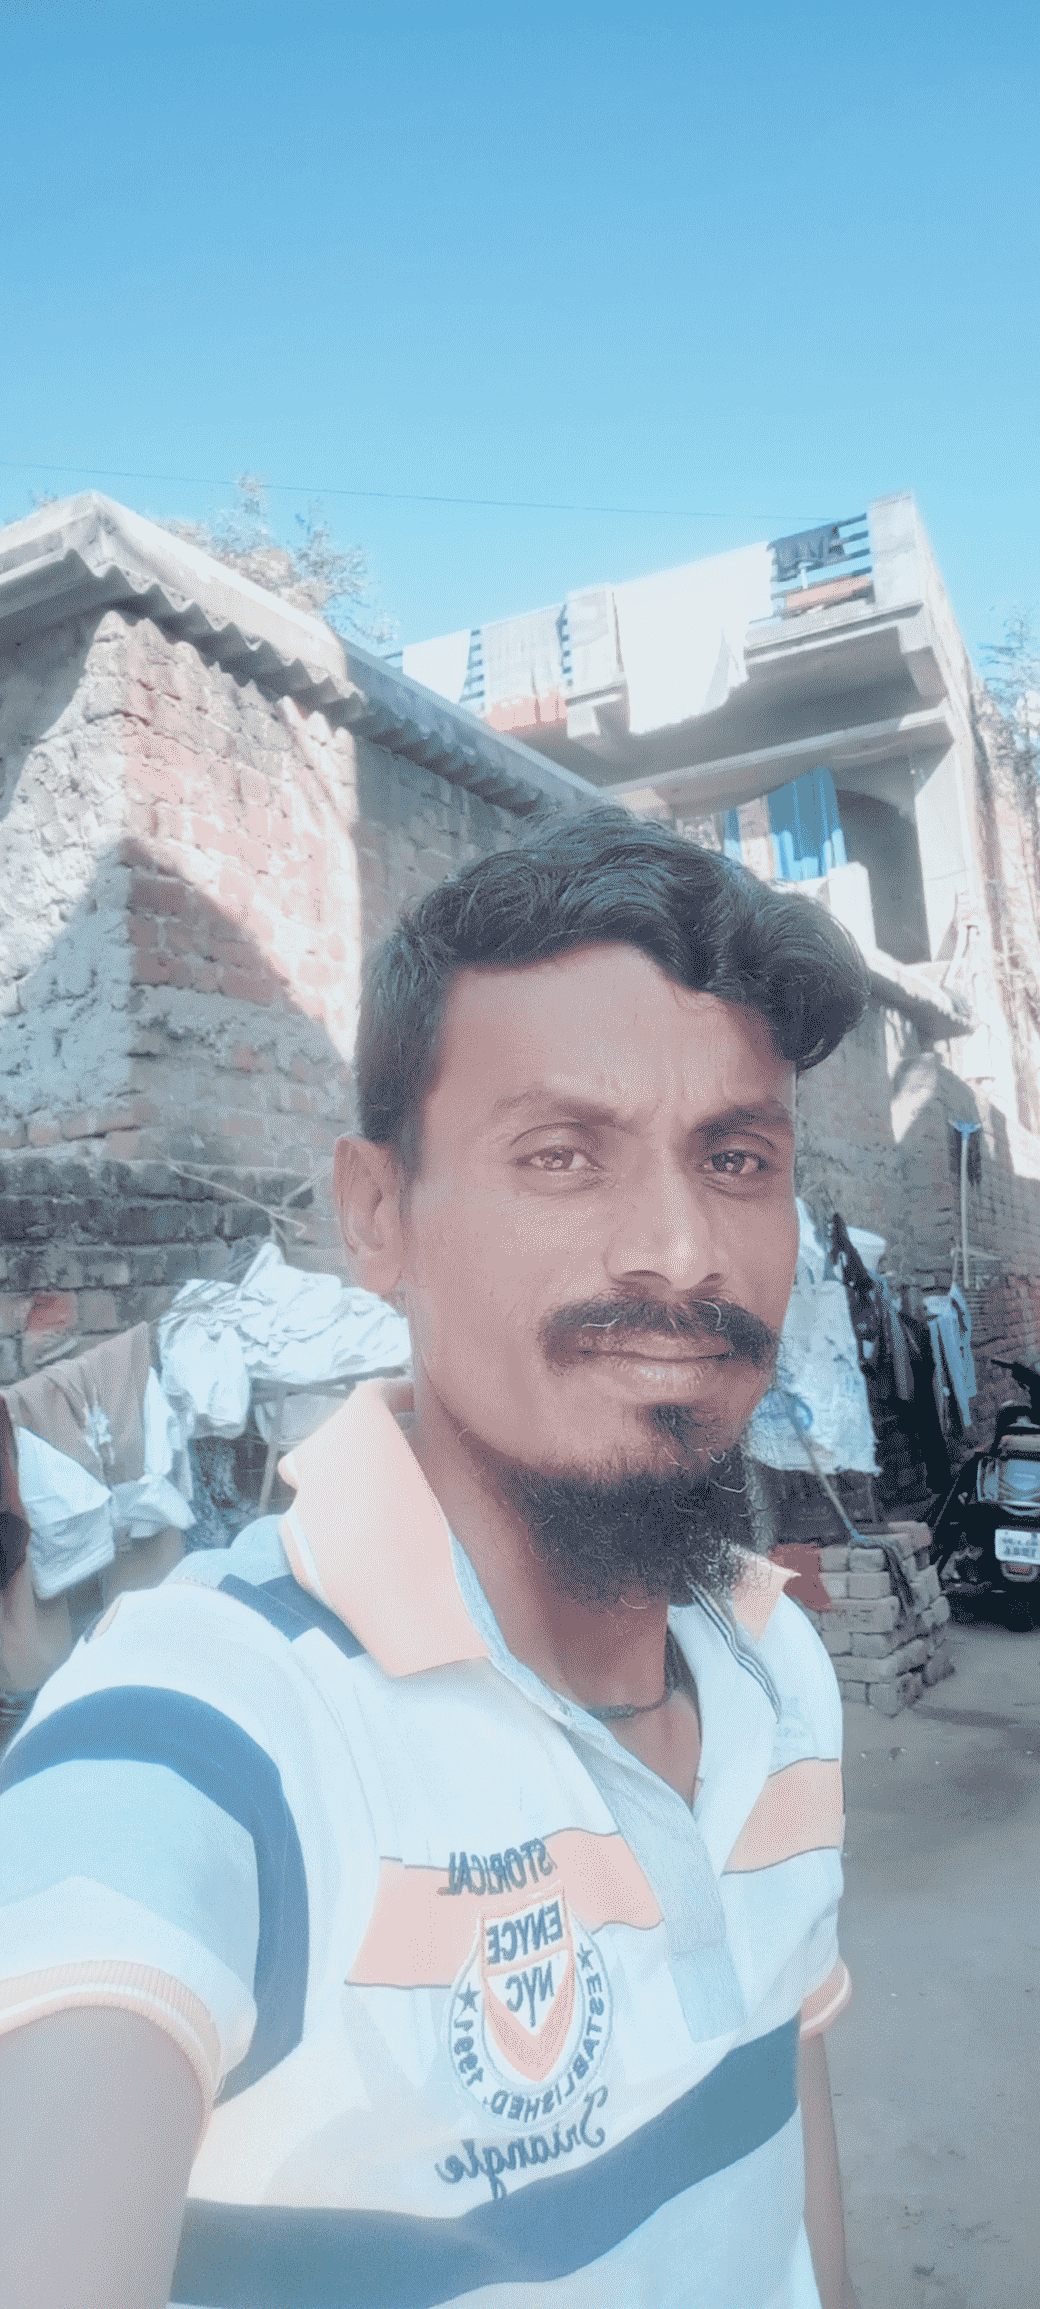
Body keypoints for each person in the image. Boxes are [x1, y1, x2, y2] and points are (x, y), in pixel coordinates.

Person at [0, 807, 868, 2309]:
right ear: (377, 1217)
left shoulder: (777, 1664)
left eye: (736, 1157)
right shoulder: (211, 1733)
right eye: (561, 1155)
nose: (682, 1249)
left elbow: (788, 2152)